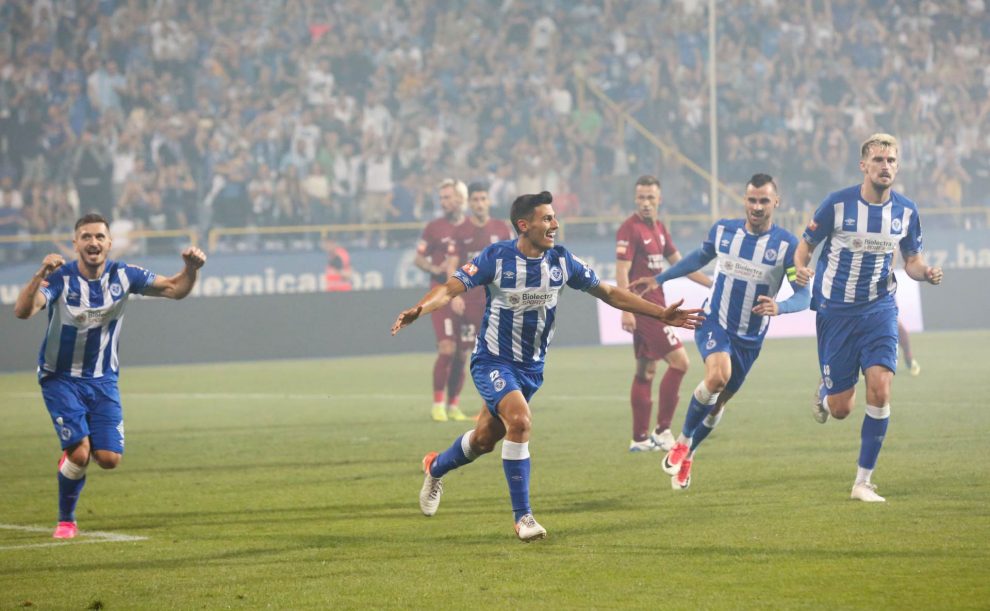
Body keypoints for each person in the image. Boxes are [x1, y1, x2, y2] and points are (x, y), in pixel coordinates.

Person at [391, 191, 704, 541]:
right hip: (493, 360)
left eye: (554, 217)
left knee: (483, 440)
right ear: (524, 225)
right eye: (547, 218)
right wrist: (420, 309)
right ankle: (523, 518)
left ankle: (435, 467)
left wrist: (661, 314)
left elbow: (609, 292)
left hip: (531, 369)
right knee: (520, 421)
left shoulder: (561, 260)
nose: (555, 224)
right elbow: (451, 288)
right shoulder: (497, 257)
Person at [13, 212, 206, 538]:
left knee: (109, 458)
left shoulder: (124, 275)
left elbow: (175, 289)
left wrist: (191, 269)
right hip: (60, 377)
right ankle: (66, 519)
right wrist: (39, 274)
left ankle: (73, 450)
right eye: (86, 237)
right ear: (75, 243)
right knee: (80, 454)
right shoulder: (61, 278)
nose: (93, 242)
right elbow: (23, 311)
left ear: (109, 243)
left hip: (103, 379)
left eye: (99, 236)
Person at [631, 174, 810, 490]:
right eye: (752, 200)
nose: (757, 207)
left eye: (764, 201)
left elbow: (804, 295)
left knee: (717, 404)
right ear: (744, 200)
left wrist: (780, 306)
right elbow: (698, 258)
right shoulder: (724, 231)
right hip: (714, 321)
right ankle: (683, 441)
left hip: (750, 339)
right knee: (716, 377)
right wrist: (660, 279)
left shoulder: (787, 246)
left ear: (776, 202)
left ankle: (690, 453)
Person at [794, 133, 943, 502]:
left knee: (880, 387)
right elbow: (805, 246)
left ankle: (863, 482)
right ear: (863, 165)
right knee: (841, 409)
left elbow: (912, 260)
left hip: (879, 309)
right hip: (836, 312)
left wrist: (925, 272)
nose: (885, 166)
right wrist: (799, 270)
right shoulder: (837, 204)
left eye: (890, 160)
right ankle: (827, 393)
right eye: (878, 160)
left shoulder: (906, 211)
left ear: (898, 166)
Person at [616, 175, 711, 453]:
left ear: (660, 199)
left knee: (646, 370)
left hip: (658, 306)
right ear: (635, 199)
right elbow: (621, 270)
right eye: (641, 197)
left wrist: (712, 283)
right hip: (645, 309)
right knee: (680, 362)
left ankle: (639, 439)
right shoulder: (629, 229)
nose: (645, 203)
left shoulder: (659, 228)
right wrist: (626, 309)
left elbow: (681, 265)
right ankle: (663, 431)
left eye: (650, 197)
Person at [450, 181, 513, 418]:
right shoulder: (460, 231)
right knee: (462, 354)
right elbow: (452, 266)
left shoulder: (502, 229)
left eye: (483, 199)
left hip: (495, 303)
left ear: (489, 201)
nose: (479, 204)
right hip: (468, 301)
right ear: (469, 203)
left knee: (495, 355)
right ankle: (452, 403)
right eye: (475, 200)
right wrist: (455, 294)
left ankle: (490, 406)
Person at [413, 178, 469, 422]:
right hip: (441, 293)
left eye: (447, 197)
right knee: (447, 348)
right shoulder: (434, 227)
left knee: (462, 353)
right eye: (441, 198)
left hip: (467, 295)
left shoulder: (471, 228)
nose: (443, 202)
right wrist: (434, 268)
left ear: (460, 198)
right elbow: (418, 259)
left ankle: (453, 405)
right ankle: (438, 405)